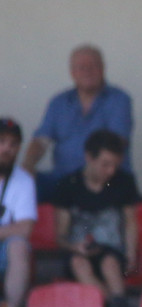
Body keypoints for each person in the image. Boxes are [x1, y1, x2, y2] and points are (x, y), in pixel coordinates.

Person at [20, 45, 133, 202]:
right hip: (64, 179)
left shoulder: (119, 99)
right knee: (21, 186)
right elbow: (41, 140)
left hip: (106, 179)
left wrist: (89, 176)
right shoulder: (58, 102)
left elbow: (117, 143)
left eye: (93, 66)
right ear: (72, 73)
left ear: (103, 69)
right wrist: (28, 165)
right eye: (81, 67)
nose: (87, 71)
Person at [53, 129, 139, 307]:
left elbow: (130, 221)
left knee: (110, 263)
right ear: (89, 157)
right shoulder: (68, 185)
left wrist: (131, 253)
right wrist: (75, 247)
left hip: (112, 248)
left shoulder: (124, 182)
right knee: (78, 263)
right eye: (105, 164)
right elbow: (60, 236)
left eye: (115, 165)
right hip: (77, 249)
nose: (111, 171)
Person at [0, 118, 36, 307]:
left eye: (13, 144)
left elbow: (25, 228)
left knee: (19, 246)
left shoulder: (24, 180)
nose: (7, 148)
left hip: (5, 250)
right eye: (2, 141)